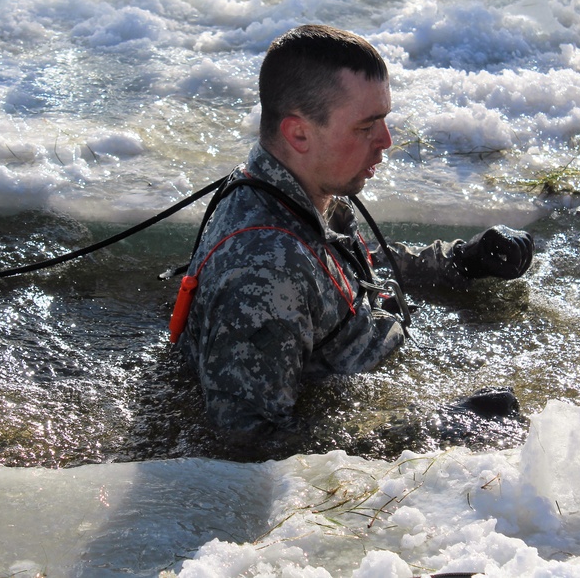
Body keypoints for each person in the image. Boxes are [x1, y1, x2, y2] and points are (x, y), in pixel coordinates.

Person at [172, 24, 533, 439]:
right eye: (366, 127)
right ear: (299, 133)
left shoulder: (300, 186)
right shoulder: (266, 269)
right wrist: (432, 432)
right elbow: (252, 445)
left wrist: (462, 260)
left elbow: (359, 263)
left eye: (384, 120)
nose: (386, 140)